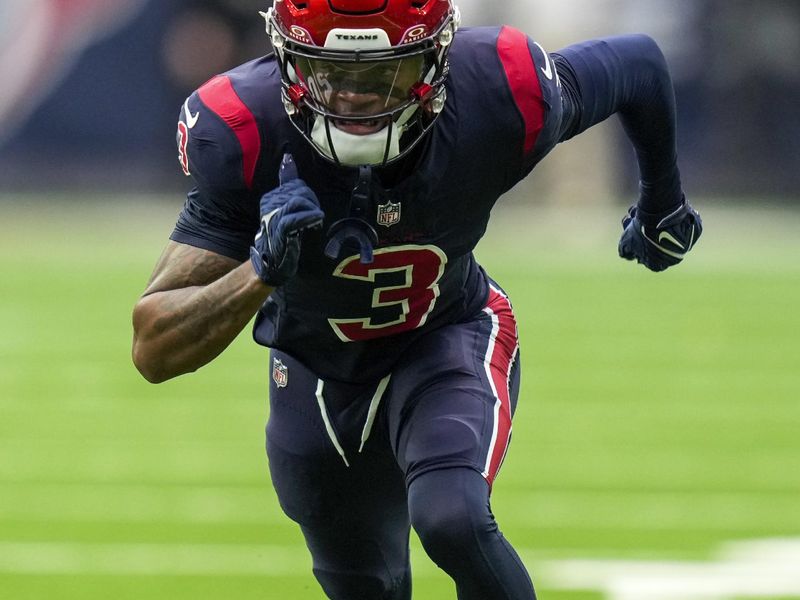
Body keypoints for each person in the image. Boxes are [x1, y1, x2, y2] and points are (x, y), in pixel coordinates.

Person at [132, 1, 702, 598]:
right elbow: (153, 347)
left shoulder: (499, 90)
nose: (353, 98)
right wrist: (257, 272)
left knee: (452, 518)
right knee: (366, 582)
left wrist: (663, 200)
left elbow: (637, 64)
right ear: (287, 60)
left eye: (385, 74)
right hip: (315, 373)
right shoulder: (245, 131)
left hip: (446, 332)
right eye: (329, 74)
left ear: (438, 60)